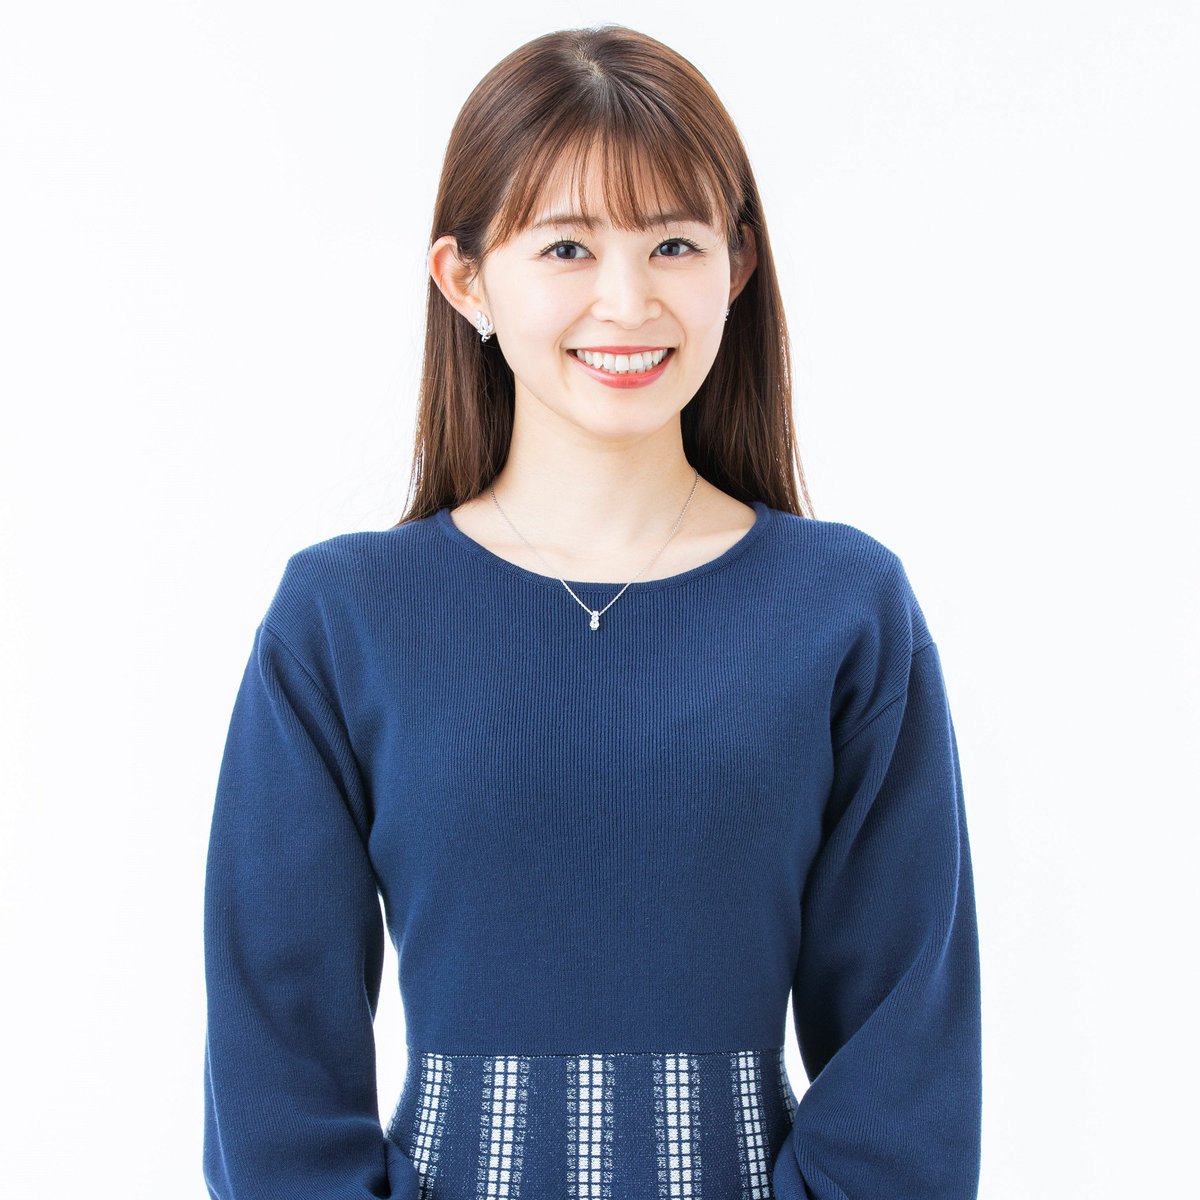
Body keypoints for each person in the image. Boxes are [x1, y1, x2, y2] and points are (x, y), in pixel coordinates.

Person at [202, 24, 982, 1200]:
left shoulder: (846, 610)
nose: (628, 301)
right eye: (567, 246)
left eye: (673, 243)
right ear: (465, 278)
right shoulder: (340, 619)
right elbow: (274, 1069)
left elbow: (905, 1060)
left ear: (737, 266)